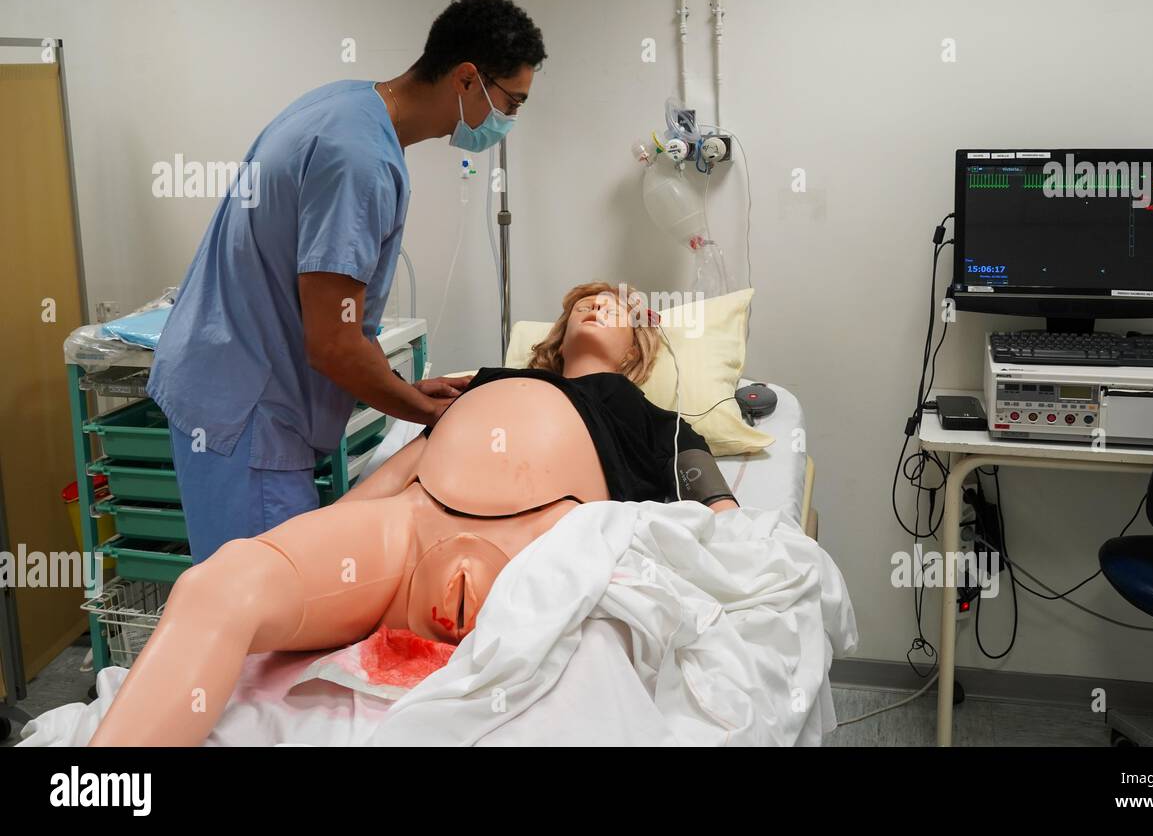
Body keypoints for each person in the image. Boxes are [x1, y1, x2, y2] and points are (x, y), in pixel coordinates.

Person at [89, 282, 738, 746]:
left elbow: (707, 490)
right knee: (219, 582)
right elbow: (406, 463)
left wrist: (731, 524)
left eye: (618, 306)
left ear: (636, 350)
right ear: (557, 333)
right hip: (410, 523)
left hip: (553, 543)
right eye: (583, 302)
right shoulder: (488, 381)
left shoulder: (647, 412)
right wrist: (320, 537)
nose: (600, 303)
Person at [148, 0, 546, 561]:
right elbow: (334, 344)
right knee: (264, 615)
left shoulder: (347, 105)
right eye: (513, 102)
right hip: (250, 418)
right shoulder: (359, 159)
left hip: (225, 386)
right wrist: (422, 410)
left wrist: (402, 389)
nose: (509, 120)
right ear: (466, 79)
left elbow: (331, 318)